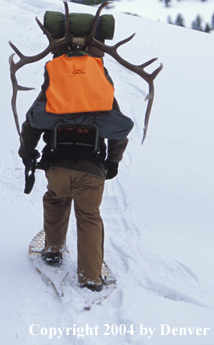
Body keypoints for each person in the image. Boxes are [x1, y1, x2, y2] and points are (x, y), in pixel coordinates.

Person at [18, 38, 133, 292]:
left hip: (57, 166)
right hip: (91, 170)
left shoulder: (55, 83)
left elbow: (31, 123)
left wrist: (27, 153)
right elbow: (118, 130)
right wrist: (112, 162)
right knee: (89, 216)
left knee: (56, 200)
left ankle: (53, 251)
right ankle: (91, 278)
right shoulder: (101, 88)